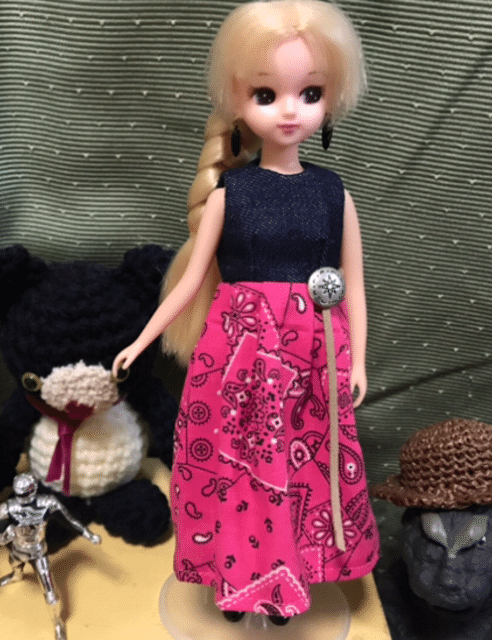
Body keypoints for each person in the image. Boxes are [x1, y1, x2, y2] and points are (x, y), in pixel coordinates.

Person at [112, 0, 379, 623]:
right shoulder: (232, 193)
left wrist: (359, 360)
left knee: (300, 474)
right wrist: (141, 340)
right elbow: (190, 283)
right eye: (266, 94)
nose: (289, 110)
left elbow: (356, 286)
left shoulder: (333, 194)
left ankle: (287, 583)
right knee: (233, 473)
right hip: (237, 359)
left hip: (312, 358)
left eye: (309, 93)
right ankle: (234, 580)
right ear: (238, 100)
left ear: (330, 98)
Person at [0, 473, 101, 640]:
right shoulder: (8, 508)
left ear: (33, 490)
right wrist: (6, 536)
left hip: (39, 553)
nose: (24, 500)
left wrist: (88, 534)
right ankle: (16, 575)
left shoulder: (47, 504)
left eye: (26, 494)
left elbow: (69, 521)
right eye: (20, 495)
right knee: (15, 565)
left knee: (51, 595)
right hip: (17, 550)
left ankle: (57, 622)